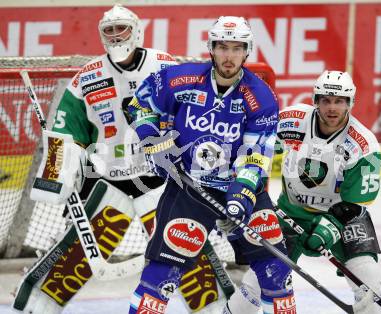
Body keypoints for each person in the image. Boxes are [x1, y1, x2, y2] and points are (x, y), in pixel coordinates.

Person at [127, 16, 296, 314]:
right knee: (161, 275)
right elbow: (140, 104)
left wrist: (242, 192)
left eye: (236, 48)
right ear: (211, 48)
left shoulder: (261, 97)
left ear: (247, 51)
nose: (229, 56)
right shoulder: (181, 79)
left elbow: (256, 155)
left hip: (240, 189)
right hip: (188, 187)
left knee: (276, 273)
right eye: (222, 47)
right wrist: (151, 138)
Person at [12, 4, 176, 313]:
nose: (116, 36)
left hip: (158, 179)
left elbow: (188, 115)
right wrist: (56, 173)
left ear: (137, 30)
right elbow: (64, 130)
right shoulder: (87, 77)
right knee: (77, 257)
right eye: (109, 30)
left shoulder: (164, 66)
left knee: (182, 247)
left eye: (122, 28)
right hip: (107, 181)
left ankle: (216, 306)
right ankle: (38, 306)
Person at [232, 70, 381, 313]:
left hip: (343, 217)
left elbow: (357, 202)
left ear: (350, 103)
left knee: (369, 286)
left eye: (339, 101)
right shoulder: (292, 120)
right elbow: (257, 147)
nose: (332, 107)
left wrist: (331, 225)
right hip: (289, 213)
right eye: (325, 100)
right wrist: (248, 181)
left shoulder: (364, 144)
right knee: (257, 283)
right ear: (315, 100)